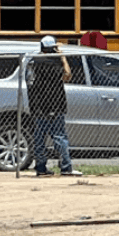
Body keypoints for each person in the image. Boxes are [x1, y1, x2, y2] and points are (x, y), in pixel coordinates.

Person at [29, 35, 82, 177]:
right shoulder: (55, 62)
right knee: (60, 137)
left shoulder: (34, 61)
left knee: (39, 138)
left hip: (38, 107)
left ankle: (40, 168)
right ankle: (66, 167)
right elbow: (68, 75)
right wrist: (62, 56)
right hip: (55, 105)